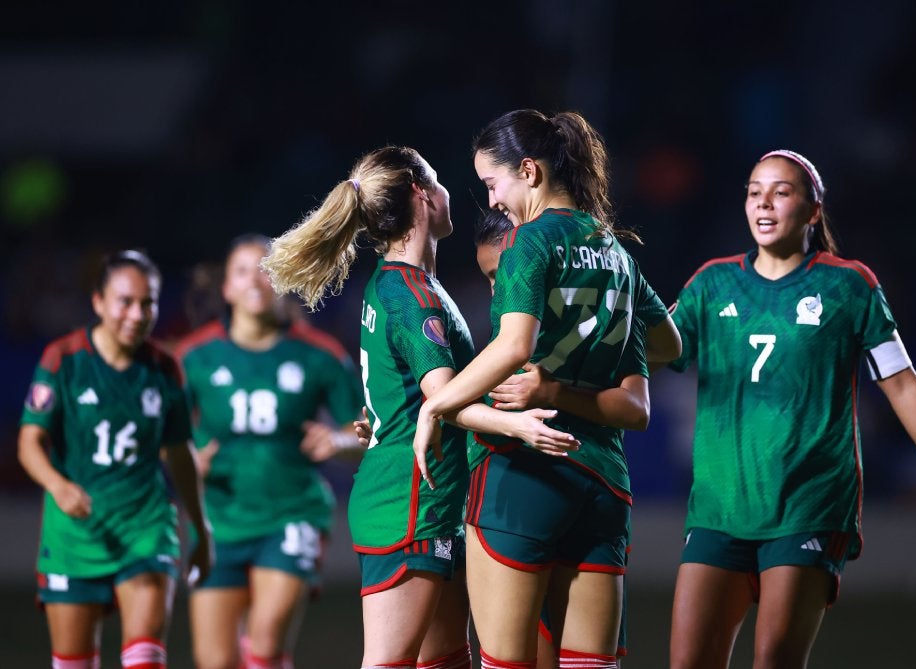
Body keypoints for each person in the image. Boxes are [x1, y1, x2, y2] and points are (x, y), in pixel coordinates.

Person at [666, 149, 916, 669]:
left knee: (774, 661)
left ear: (814, 210)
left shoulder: (849, 284)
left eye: (781, 192)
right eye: (754, 192)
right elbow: (653, 350)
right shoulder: (711, 283)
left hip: (808, 506)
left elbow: (902, 384)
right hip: (718, 508)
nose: (764, 203)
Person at [260, 145, 581, 669]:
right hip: (409, 504)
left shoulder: (398, 284)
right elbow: (443, 400)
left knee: (446, 663)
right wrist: (517, 425)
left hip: (425, 501)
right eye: (439, 180)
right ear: (420, 193)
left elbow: (406, 395)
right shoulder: (413, 295)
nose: (451, 192)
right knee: (390, 662)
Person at [413, 109, 681, 669]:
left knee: (508, 664)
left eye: (492, 184)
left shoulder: (528, 244)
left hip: (521, 475)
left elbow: (513, 347)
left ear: (528, 172)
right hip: (602, 482)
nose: (491, 203)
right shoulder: (617, 253)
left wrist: (438, 404)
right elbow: (671, 346)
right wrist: (590, 349)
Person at [174, 234, 365, 669]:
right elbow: (167, 434)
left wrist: (336, 441)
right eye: (243, 271)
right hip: (218, 520)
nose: (255, 280)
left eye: (266, 268)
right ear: (226, 287)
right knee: (215, 660)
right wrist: (188, 459)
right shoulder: (194, 356)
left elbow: (366, 429)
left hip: (291, 514)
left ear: (285, 278)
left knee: (263, 644)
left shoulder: (320, 355)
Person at [18, 249, 213, 669]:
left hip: (145, 529)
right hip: (75, 535)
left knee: (145, 659)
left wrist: (200, 527)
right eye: (125, 301)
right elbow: (29, 442)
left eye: (148, 303)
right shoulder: (64, 360)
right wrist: (58, 485)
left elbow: (180, 453)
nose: (137, 314)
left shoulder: (164, 369)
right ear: (98, 302)